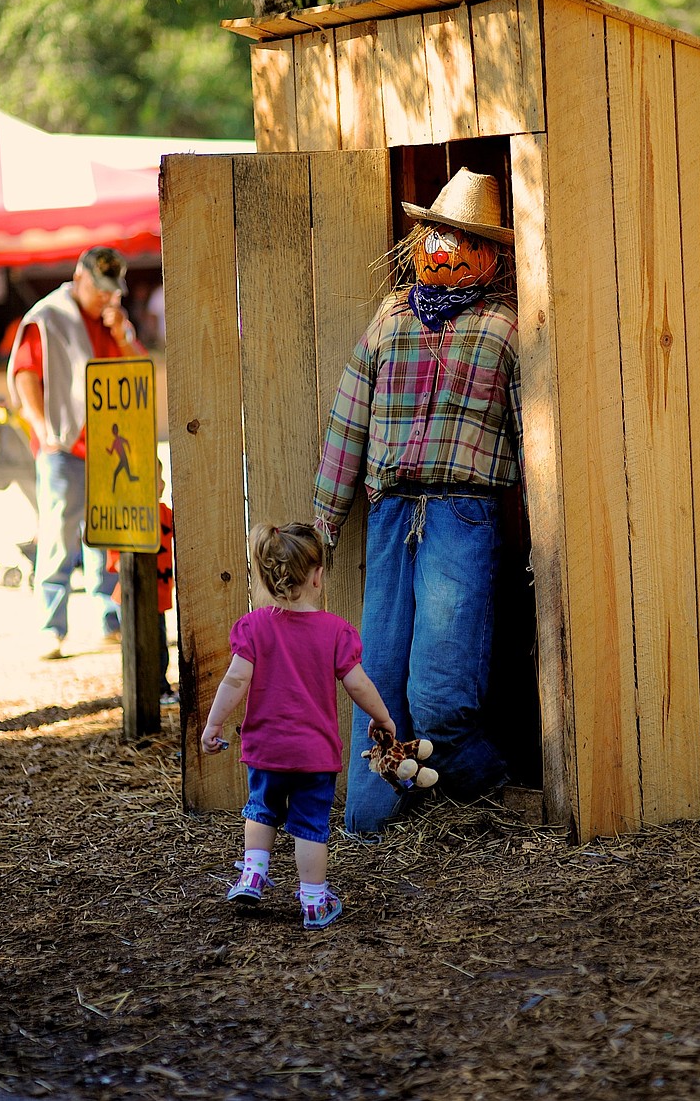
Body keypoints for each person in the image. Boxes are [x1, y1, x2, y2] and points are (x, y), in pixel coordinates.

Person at [314, 168, 523, 837]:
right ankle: (370, 821)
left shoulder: (507, 327)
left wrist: (553, 533)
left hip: (464, 513)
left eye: (462, 237)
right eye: (436, 233)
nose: (444, 246)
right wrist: (325, 519)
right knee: (373, 672)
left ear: (489, 253)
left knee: (440, 693)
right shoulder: (391, 315)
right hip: (391, 512)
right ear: (420, 238)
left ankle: (486, 780)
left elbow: (533, 434)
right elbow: (351, 415)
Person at [201, 522, 395, 929]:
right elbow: (358, 683)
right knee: (310, 826)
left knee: (261, 809)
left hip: (268, 749)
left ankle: (252, 874)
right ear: (318, 576)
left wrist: (214, 724)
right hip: (314, 755)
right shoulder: (336, 632)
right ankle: (313, 902)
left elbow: (235, 680)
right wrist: (383, 717)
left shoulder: (254, 627)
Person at [7, 246, 145, 659]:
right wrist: (42, 427)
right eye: (100, 289)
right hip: (64, 444)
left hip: (108, 445)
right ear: (80, 276)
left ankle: (109, 619)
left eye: (112, 290)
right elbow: (26, 374)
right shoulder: (49, 317)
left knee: (104, 534)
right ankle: (52, 626)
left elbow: (135, 370)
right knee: (59, 535)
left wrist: (122, 333)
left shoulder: (113, 319)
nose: (107, 296)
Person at [106, 458, 178, 704]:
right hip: (133, 596)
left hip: (158, 595)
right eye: (155, 479)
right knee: (144, 646)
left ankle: (161, 686)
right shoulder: (130, 516)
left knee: (159, 644)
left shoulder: (165, 514)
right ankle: (150, 690)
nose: (162, 483)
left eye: (160, 477)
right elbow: (116, 558)